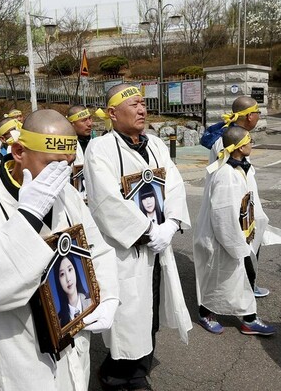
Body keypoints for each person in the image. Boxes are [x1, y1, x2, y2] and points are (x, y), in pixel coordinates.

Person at [0, 109, 119, 390]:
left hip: (73, 333)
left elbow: (96, 250)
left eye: (69, 164)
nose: (62, 174)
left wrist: (108, 296)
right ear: (18, 151)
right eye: (53, 165)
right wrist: (27, 217)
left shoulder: (68, 196)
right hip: (21, 346)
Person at [83, 84, 192, 390]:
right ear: (113, 113)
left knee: (151, 308)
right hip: (126, 249)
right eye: (134, 104)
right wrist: (147, 231)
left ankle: (137, 368)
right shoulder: (100, 149)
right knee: (129, 312)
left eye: (143, 103)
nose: (142, 109)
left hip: (159, 245)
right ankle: (120, 374)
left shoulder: (156, 144)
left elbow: (175, 184)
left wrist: (170, 225)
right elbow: (106, 201)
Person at [193, 126, 276, 336]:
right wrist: (235, 245)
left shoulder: (244, 167)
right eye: (248, 141)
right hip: (227, 240)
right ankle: (205, 314)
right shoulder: (226, 175)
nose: (252, 144)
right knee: (219, 279)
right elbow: (223, 215)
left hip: (243, 235)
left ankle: (249, 319)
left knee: (242, 278)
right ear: (239, 147)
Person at [202, 96, 269, 298]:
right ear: (249, 116)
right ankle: (225, 299)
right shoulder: (227, 141)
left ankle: (246, 286)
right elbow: (225, 181)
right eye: (257, 113)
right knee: (233, 251)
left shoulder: (238, 136)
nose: (259, 117)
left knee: (248, 246)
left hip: (244, 205)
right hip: (234, 207)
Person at [55, 254, 92, 328]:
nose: (68, 279)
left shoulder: (92, 299)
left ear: (75, 270)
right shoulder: (58, 322)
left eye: (70, 269)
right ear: (58, 280)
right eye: (62, 274)